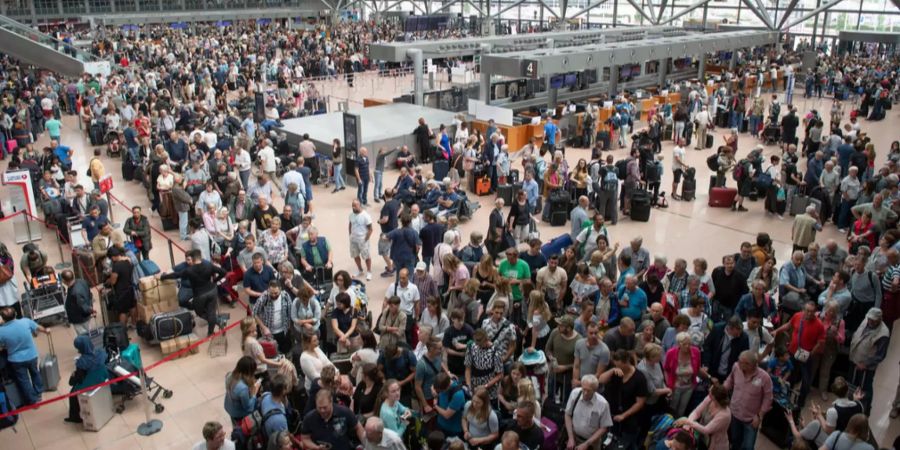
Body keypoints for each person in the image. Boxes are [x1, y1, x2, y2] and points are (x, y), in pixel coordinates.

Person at [160, 249, 227, 336]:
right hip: (212, 291)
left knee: (200, 313)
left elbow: (176, 275)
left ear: (193, 258)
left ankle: (218, 321)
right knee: (211, 312)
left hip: (200, 295)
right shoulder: (208, 265)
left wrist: (164, 277)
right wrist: (215, 280)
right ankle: (210, 332)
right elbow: (223, 272)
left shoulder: (189, 270)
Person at [774, 301, 825, 408]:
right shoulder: (797, 316)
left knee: (806, 381)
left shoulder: (819, 325)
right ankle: (785, 397)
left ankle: (800, 403)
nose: (809, 314)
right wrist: (777, 331)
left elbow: (820, 342)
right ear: (803, 310)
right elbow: (788, 325)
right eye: (807, 311)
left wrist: (811, 354)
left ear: (815, 312)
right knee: (789, 375)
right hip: (792, 353)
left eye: (812, 312)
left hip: (805, 356)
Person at [0, 306, 51, 405]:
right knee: (35, 373)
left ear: (3, 318)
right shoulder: (25, 321)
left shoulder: (1, 331)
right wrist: (46, 331)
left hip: (16, 360)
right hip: (31, 355)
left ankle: (33, 400)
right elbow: (38, 327)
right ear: (15, 314)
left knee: (24, 380)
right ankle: (39, 393)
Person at [598, 349, 648, 450]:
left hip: (629, 418)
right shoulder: (615, 371)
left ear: (627, 362)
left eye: (619, 365)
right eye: (615, 365)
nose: (617, 368)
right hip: (612, 414)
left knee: (627, 443)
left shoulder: (639, 378)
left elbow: (640, 402)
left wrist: (624, 416)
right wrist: (612, 370)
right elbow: (601, 380)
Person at [724, 350, 773, 450]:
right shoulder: (736, 367)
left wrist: (759, 416)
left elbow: (768, 398)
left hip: (751, 420)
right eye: (739, 361)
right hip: (735, 413)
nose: (739, 364)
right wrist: (721, 389)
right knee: (735, 440)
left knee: (748, 446)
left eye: (743, 362)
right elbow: (730, 380)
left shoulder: (764, 378)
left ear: (752, 364)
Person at [847, 307, 890, 414]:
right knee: (852, 384)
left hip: (866, 367)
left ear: (879, 319)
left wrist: (866, 364)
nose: (870, 321)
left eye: (873, 320)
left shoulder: (883, 334)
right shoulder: (866, 320)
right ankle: (851, 404)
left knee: (865, 389)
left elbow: (881, 355)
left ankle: (865, 411)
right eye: (869, 319)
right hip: (855, 359)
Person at [64, 334, 109, 424]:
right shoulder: (100, 352)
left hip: (91, 382)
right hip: (103, 377)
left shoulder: (82, 362)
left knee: (72, 394)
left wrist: (73, 376)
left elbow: (79, 379)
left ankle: (74, 417)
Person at [302, 389, 366, 450]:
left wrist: (366, 445)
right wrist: (316, 447)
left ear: (331, 402)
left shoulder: (344, 412)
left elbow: (358, 427)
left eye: (325, 407)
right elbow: (305, 438)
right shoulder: (309, 418)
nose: (322, 411)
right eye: (319, 408)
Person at [676, 384, 732, 450]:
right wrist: (689, 422)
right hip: (702, 438)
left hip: (715, 445)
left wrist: (688, 422)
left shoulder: (724, 415)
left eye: (710, 391)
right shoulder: (709, 399)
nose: (708, 390)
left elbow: (706, 430)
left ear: (715, 397)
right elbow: (697, 412)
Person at [564, 374, 612, 450]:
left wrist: (587, 444)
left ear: (595, 390)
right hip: (574, 437)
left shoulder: (603, 404)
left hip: (592, 443)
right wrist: (571, 438)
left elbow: (604, 427)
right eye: (584, 389)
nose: (585, 393)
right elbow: (567, 414)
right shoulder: (575, 394)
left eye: (589, 391)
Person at [664, 332, 702, 417]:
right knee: (672, 409)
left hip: (689, 387)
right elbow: (666, 369)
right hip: (675, 386)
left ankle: (678, 427)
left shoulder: (696, 352)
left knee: (682, 409)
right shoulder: (671, 353)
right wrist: (668, 385)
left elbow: (698, 368)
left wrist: (709, 376)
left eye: (689, 343)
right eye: (685, 344)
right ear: (679, 344)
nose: (688, 346)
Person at [702, 316, 749, 384]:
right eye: (737, 333)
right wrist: (706, 364)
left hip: (730, 373)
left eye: (740, 333)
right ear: (730, 328)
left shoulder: (744, 337)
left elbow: (744, 355)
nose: (739, 335)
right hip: (714, 368)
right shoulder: (717, 329)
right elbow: (707, 346)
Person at [573, 321, 610, 388]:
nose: (593, 336)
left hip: (594, 385)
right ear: (586, 332)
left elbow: (599, 374)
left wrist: (581, 383)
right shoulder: (579, 343)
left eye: (596, 333)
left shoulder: (604, 350)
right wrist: (575, 380)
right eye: (591, 333)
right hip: (580, 382)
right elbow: (576, 366)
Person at [61, 269, 94, 335]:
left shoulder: (75, 293)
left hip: (80, 319)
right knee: (89, 333)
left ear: (64, 281)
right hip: (85, 316)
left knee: (84, 336)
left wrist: (90, 310)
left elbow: (82, 306)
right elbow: (89, 294)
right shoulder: (82, 281)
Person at [434, 372, 467, 438]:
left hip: (452, 430)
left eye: (441, 391)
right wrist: (436, 396)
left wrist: (435, 406)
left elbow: (447, 415)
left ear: (448, 387)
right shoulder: (441, 383)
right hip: (440, 424)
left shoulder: (458, 395)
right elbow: (433, 389)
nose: (440, 392)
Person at [349, 199, 374, 281]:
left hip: (362, 239)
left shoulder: (366, 216)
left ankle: (369, 272)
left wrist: (366, 239)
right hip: (353, 239)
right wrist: (350, 234)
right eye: (352, 205)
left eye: (355, 206)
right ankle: (360, 270)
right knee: (355, 255)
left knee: (366, 256)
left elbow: (370, 229)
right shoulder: (351, 215)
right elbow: (350, 224)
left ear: (359, 205)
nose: (353, 207)